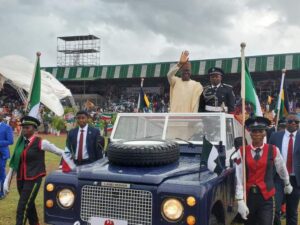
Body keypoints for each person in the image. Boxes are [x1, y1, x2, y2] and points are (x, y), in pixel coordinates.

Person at [4, 115, 64, 225]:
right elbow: (15, 163)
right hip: (21, 179)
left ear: (34, 129)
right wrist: (7, 180)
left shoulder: (41, 142)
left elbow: (60, 152)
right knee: (29, 204)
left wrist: (71, 158)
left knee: (22, 207)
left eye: (28, 127)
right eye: (23, 127)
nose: (25, 129)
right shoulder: (20, 143)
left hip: (34, 178)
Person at [235, 116, 293, 225]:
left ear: (265, 133)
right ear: (250, 133)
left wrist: (287, 183)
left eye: (260, 131)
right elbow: (239, 176)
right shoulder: (242, 151)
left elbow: (281, 168)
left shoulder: (273, 150)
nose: (257, 133)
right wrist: (239, 200)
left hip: (267, 197)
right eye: (254, 131)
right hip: (249, 197)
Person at [269, 113, 300, 225]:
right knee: (275, 209)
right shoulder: (275, 136)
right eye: (291, 121)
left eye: (296, 122)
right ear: (286, 122)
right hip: (278, 178)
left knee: (292, 211)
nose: (294, 123)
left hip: (295, 180)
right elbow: (269, 157)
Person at [0, 114, 13, 199]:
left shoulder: (6, 127)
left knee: (1, 173)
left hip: (2, 154)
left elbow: (10, 141)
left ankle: (2, 192)